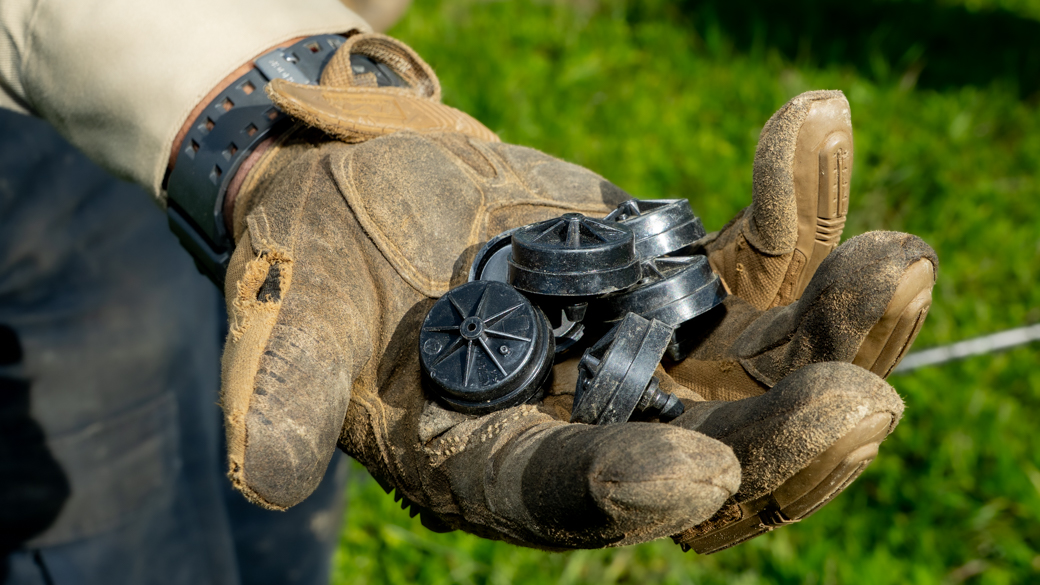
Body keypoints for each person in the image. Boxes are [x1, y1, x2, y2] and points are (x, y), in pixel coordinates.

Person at [0, 0, 937, 581]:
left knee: (316, 411)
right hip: (50, 121)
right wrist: (277, 124)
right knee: (115, 487)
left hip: (308, 51)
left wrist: (353, 81)